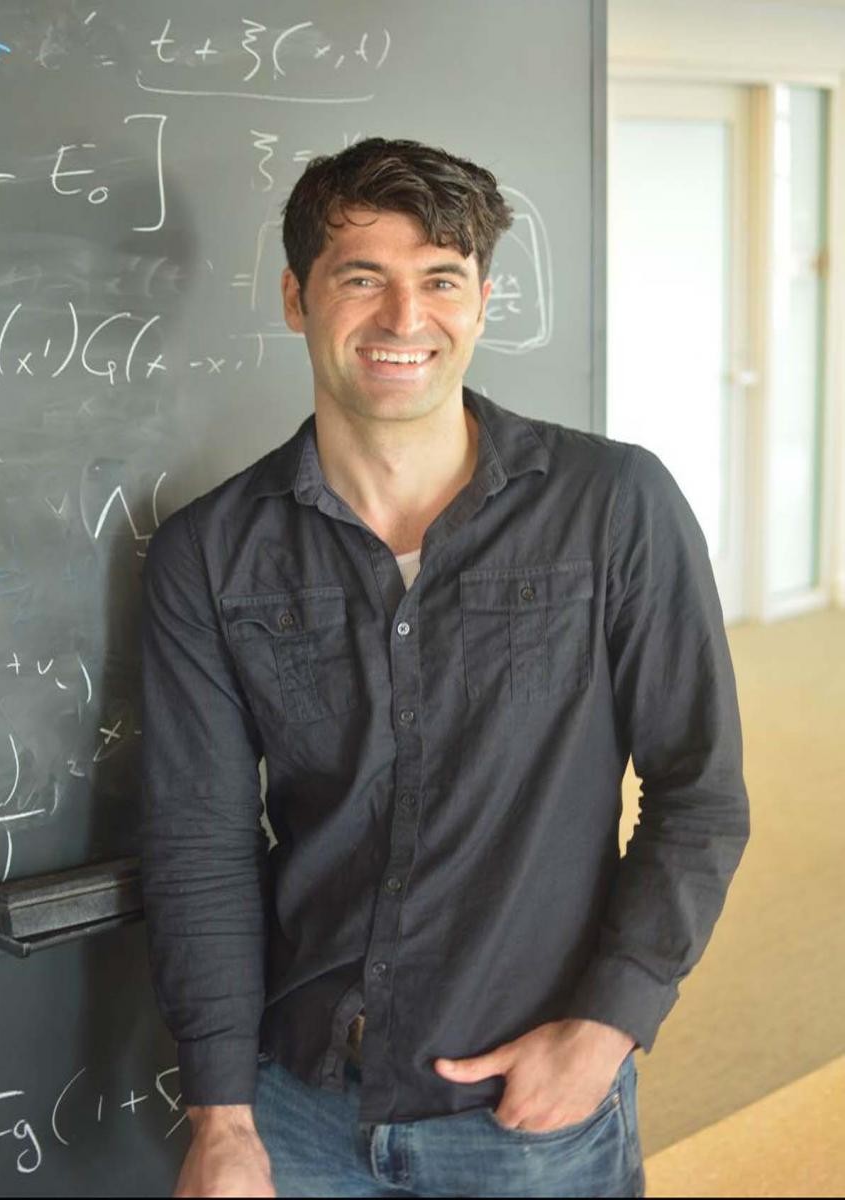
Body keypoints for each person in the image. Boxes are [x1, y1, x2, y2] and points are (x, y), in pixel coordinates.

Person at [141, 138, 750, 1198]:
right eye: (361, 277)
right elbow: (199, 841)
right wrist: (225, 1117)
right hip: (298, 1107)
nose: (404, 319)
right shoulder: (210, 551)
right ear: (297, 297)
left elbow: (699, 791)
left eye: (441, 281)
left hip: (528, 1111)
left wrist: (609, 1027)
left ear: (482, 300)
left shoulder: (614, 506)